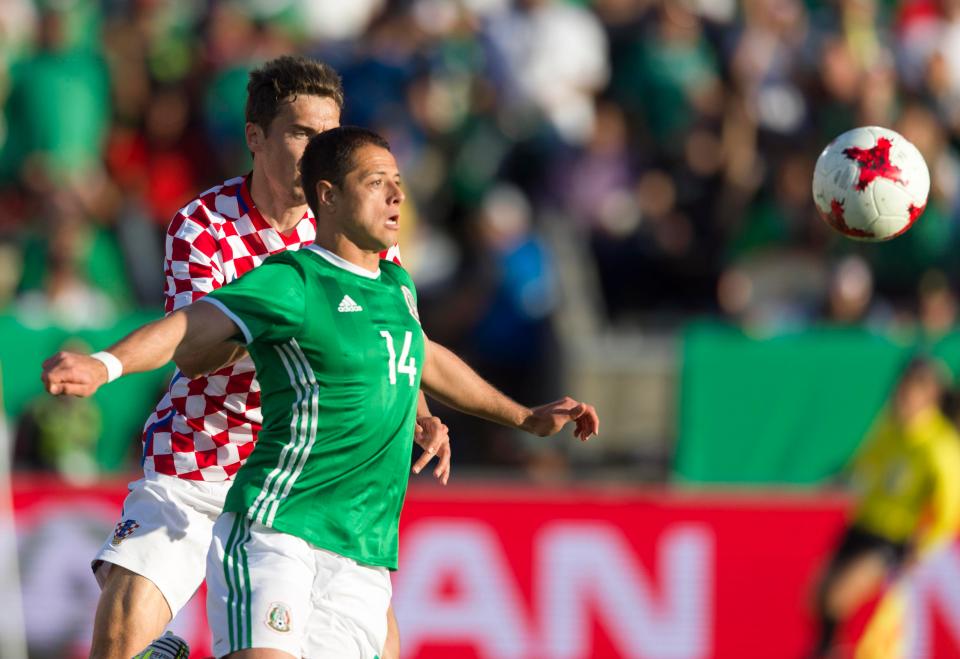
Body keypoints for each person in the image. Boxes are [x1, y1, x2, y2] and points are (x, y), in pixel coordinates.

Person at [42, 125, 600, 658]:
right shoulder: (294, 279)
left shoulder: (395, 284)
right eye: (377, 183)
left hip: (361, 543)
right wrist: (105, 364)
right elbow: (192, 327)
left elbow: (423, 356)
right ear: (327, 196)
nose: (396, 197)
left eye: (398, 185)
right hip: (275, 521)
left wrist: (523, 417)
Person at [75, 56, 449, 659]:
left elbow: (396, 335)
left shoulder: (356, 225)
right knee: (117, 643)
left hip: (303, 479)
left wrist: (423, 407)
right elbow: (195, 357)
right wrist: (285, 321)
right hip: (202, 461)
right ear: (257, 137)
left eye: (328, 133)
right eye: (301, 132)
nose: (317, 147)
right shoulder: (203, 226)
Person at [813, 357, 960, 657]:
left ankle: (832, 651)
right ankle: (830, 648)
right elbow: (866, 463)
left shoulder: (940, 447)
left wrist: (923, 545)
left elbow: (950, 509)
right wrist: (843, 476)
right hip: (863, 525)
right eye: (901, 389)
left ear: (930, 397)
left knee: (840, 597)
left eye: (910, 391)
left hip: (895, 538)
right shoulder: (890, 428)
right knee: (817, 596)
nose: (902, 397)